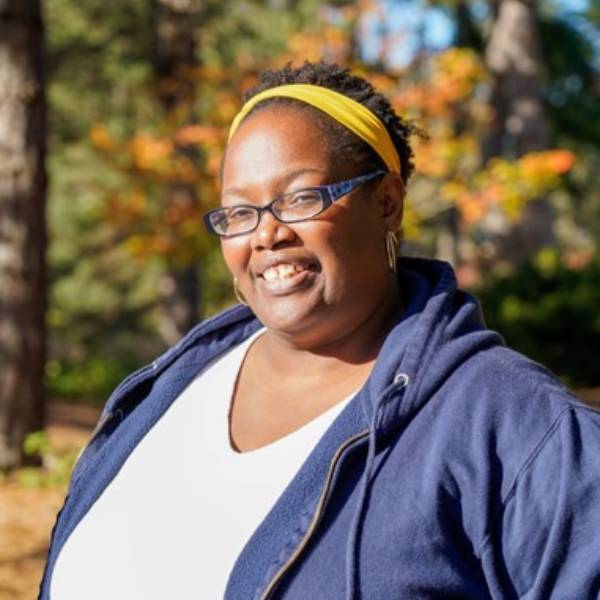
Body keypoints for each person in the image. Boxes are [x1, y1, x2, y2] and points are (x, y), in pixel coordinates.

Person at [40, 61, 600, 600]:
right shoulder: (163, 391)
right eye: (239, 212)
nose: (266, 234)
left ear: (387, 202)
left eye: (300, 198)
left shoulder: (515, 426)